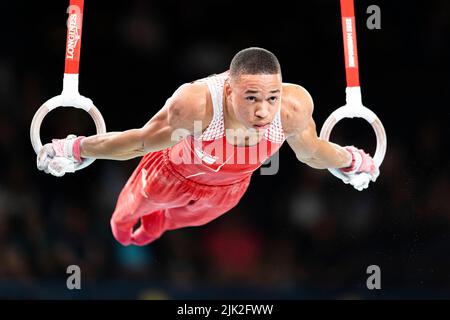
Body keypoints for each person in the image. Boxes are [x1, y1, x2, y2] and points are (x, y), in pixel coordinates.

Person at [37, 47, 379, 246]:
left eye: (271, 97)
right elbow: (138, 142)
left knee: (184, 221)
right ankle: (141, 216)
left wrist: (351, 161)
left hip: (228, 188)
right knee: (123, 227)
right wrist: (75, 149)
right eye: (252, 98)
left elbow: (313, 152)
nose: (263, 110)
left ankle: (164, 221)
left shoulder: (292, 108)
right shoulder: (195, 105)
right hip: (170, 174)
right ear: (230, 92)